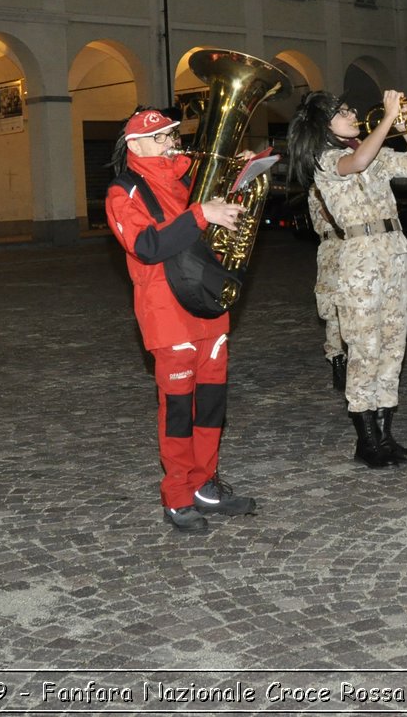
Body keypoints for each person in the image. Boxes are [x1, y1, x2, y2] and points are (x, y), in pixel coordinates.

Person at [105, 108, 257, 534]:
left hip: (208, 305)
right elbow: (148, 245)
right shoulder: (124, 191)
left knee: (211, 408)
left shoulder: (189, 178)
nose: (171, 143)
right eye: (160, 138)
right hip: (167, 315)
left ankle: (205, 485)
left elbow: (218, 226)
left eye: (172, 135)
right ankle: (176, 497)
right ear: (135, 145)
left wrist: (241, 176)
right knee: (177, 412)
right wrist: (200, 214)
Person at [288, 90, 407, 468]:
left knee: (392, 345)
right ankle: (366, 440)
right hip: (358, 258)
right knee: (365, 348)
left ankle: (386, 436)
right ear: (323, 124)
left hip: (392, 251)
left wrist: (404, 128)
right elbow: (359, 159)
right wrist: (386, 118)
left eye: (351, 108)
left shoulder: (373, 152)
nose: (352, 114)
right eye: (343, 112)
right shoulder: (325, 160)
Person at [306, 183, 348, 394]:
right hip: (332, 247)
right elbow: (331, 214)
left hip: (355, 247)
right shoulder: (319, 187)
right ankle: (338, 361)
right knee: (333, 309)